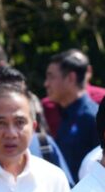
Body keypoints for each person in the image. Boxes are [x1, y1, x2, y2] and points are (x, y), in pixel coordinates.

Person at [43, 49, 101, 180]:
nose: (46, 84)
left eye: (51, 77)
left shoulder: (93, 118)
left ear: (71, 78)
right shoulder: (65, 114)